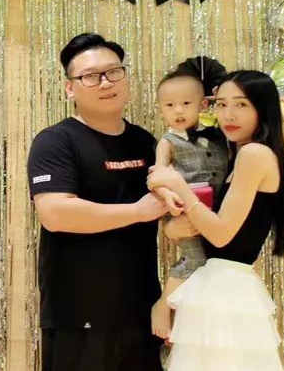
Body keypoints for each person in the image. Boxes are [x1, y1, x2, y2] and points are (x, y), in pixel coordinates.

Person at [28, 33, 168, 371]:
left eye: (114, 72)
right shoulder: (55, 142)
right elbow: (55, 213)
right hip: (78, 313)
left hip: (141, 309)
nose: (106, 82)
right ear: (70, 88)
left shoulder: (145, 142)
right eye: (90, 76)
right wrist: (138, 211)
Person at [147, 70, 284, 371]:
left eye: (241, 104)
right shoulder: (234, 154)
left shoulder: (254, 153)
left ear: (262, 108)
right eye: (222, 104)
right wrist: (173, 227)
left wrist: (178, 185)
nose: (228, 114)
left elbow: (222, 234)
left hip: (225, 288)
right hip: (218, 284)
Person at [148, 56, 230, 342]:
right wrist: (168, 195)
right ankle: (163, 304)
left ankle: (196, 319)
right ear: (161, 110)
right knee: (194, 258)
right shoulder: (168, 141)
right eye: (169, 105)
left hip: (220, 211)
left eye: (186, 103)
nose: (178, 111)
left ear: (203, 104)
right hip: (186, 209)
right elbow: (157, 176)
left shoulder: (221, 136)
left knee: (216, 264)